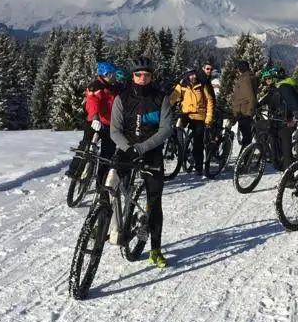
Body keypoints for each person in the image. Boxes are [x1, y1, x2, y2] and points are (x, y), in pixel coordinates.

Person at [110, 57, 174, 268]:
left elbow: (165, 129)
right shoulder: (123, 98)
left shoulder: (160, 98)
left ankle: (155, 249)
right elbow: (115, 130)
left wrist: (143, 147)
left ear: (151, 77)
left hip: (151, 153)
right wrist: (129, 148)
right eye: (139, 75)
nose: (142, 78)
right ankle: (107, 223)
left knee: (154, 201)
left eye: (146, 75)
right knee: (111, 185)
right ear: (133, 76)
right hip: (127, 150)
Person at [65, 61, 126, 180]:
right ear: (106, 74)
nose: (114, 76)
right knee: (86, 145)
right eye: (112, 74)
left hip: (110, 124)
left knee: (107, 153)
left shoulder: (115, 86)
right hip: (95, 122)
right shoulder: (96, 86)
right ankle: (75, 170)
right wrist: (94, 117)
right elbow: (92, 102)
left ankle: (102, 179)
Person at [169, 67, 215, 176]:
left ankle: (199, 167)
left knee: (198, 141)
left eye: (194, 74)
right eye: (190, 74)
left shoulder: (202, 85)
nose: (193, 77)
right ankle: (177, 146)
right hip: (186, 114)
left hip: (199, 115)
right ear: (187, 75)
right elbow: (173, 98)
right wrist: (165, 108)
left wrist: (208, 118)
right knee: (176, 127)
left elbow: (210, 101)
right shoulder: (183, 85)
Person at [260, 68, 298, 171]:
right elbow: (266, 100)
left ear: (275, 78)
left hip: (286, 122)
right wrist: (257, 106)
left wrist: (294, 119)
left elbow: (294, 104)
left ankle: (289, 179)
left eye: (269, 78)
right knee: (266, 133)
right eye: (265, 79)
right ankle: (276, 160)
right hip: (277, 121)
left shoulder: (284, 87)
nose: (267, 81)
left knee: (286, 151)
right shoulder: (274, 89)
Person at [229, 60, 257, 145]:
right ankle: (245, 154)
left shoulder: (245, 79)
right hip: (242, 110)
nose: (237, 70)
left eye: (238, 68)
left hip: (243, 111)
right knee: (246, 134)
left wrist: (249, 112)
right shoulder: (248, 77)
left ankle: (246, 156)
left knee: (246, 136)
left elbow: (251, 97)